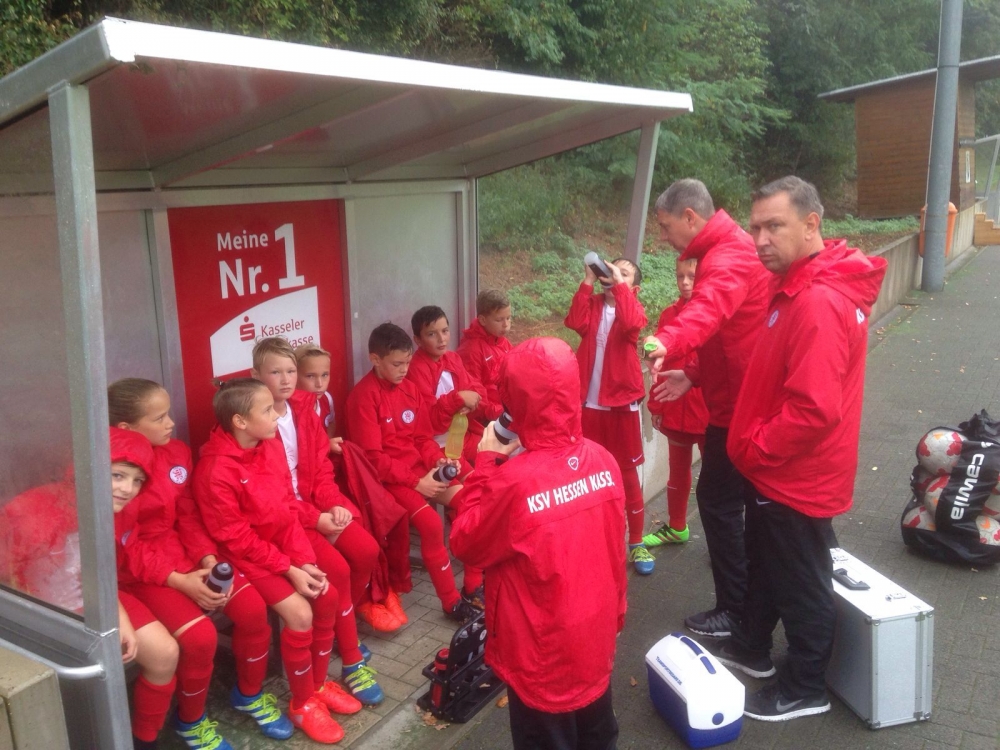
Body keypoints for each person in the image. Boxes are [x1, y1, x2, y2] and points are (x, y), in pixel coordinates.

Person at [716, 176, 886, 721]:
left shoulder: (817, 301)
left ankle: (805, 687)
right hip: (778, 471)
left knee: (801, 582)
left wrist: (755, 450)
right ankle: (751, 647)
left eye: (774, 226)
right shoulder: (796, 284)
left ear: (811, 224)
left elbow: (814, 409)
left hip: (793, 476)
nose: (760, 239)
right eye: (755, 227)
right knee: (769, 565)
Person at [451, 337, 627, 750]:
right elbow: (614, 553)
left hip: (540, 653)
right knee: (597, 734)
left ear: (516, 401)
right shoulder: (603, 459)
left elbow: (466, 542)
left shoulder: (514, 484)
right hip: (595, 635)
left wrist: (485, 465)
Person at [109, 378, 294, 748]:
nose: (171, 423)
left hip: (187, 554)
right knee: (200, 638)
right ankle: (190, 721)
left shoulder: (176, 452)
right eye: (159, 418)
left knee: (252, 609)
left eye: (168, 414)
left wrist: (206, 558)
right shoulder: (116, 474)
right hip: (143, 573)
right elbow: (126, 547)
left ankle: (249, 694)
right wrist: (179, 580)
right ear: (126, 428)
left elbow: (188, 514)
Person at [193, 378, 355, 744]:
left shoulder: (269, 446)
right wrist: (289, 568)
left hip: (278, 549)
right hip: (242, 557)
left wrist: (304, 560)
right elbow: (235, 538)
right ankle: (301, 704)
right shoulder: (215, 470)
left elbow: (286, 512)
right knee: (299, 614)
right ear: (240, 421)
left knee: (327, 595)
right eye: (266, 411)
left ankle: (315, 685)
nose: (276, 416)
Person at [642, 178, 770, 638]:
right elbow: (727, 328)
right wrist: (693, 373)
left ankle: (737, 611)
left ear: (690, 217)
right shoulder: (725, 249)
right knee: (735, 502)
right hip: (736, 400)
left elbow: (709, 309)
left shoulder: (728, 255)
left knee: (719, 500)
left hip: (742, 407)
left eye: (665, 226)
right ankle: (750, 604)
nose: (663, 237)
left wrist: (668, 339)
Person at [250, 337, 384, 704]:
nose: (285, 380)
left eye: (291, 371)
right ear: (256, 375)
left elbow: (321, 469)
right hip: (286, 522)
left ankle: (343, 627)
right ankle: (352, 659)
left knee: (366, 550)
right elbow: (273, 499)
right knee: (337, 571)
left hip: (312, 509)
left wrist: (334, 504)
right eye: (275, 372)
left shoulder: (303, 409)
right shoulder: (255, 424)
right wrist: (316, 518)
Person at [345, 323, 481, 623]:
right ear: (375, 359)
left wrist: (438, 461)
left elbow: (422, 438)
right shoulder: (363, 397)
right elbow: (373, 459)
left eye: (407, 362)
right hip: (388, 480)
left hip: (419, 471)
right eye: (397, 364)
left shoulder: (410, 389)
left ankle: (473, 586)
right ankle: (451, 603)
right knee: (431, 524)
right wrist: (417, 483)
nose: (404, 370)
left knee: (472, 501)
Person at [564, 256, 652, 574]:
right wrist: (588, 281)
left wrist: (621, 288)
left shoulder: (633, 307)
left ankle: (637, 542)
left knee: (627, 474)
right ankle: (592, 539)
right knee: (586, 471)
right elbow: (575, 322)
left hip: (621, 404)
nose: (614, 275)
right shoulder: (594, 303)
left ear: (634, 287)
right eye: (611, 269)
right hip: (588, 403)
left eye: (624, 273)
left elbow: (631, 325)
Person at [644, 258, 709, 547]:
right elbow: (659, 364)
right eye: (680, 276)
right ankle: (677, 526)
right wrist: (657, 406)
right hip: (676, 408)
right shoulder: (669, 314)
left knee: (716, 480)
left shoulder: (714, 314)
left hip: (708, 411)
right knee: (677, 472)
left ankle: (723, 541)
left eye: (691, 276)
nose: (684, 282)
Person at [407, 305, 486, 468]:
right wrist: (458, 399)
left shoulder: (452, 358)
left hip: (463, 433)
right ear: (418, 340)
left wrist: (471, 404)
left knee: (501, 455)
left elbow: (478, 392)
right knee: (474, 478)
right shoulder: (416, 369)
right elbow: (430, 422)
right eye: (431, 334)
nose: (441, 339)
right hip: (438, 444)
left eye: (445, 331)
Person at [457, 289, 513, 445]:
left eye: (508, 318)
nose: (506, 325)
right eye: (499, 320)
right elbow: (473, 392)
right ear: (482, 320)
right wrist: (499, 412)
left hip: (507, 409)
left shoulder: (503, 342)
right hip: (487, 419)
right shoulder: (471, 350)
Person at [294, 342, 344, 455]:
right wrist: (326, 446)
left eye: (325, 375)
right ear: (295, 376)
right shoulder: (289, 408)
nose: (319, 384)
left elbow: (331, 424)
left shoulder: (326, 398)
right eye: (310, 376)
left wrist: (327, 444)